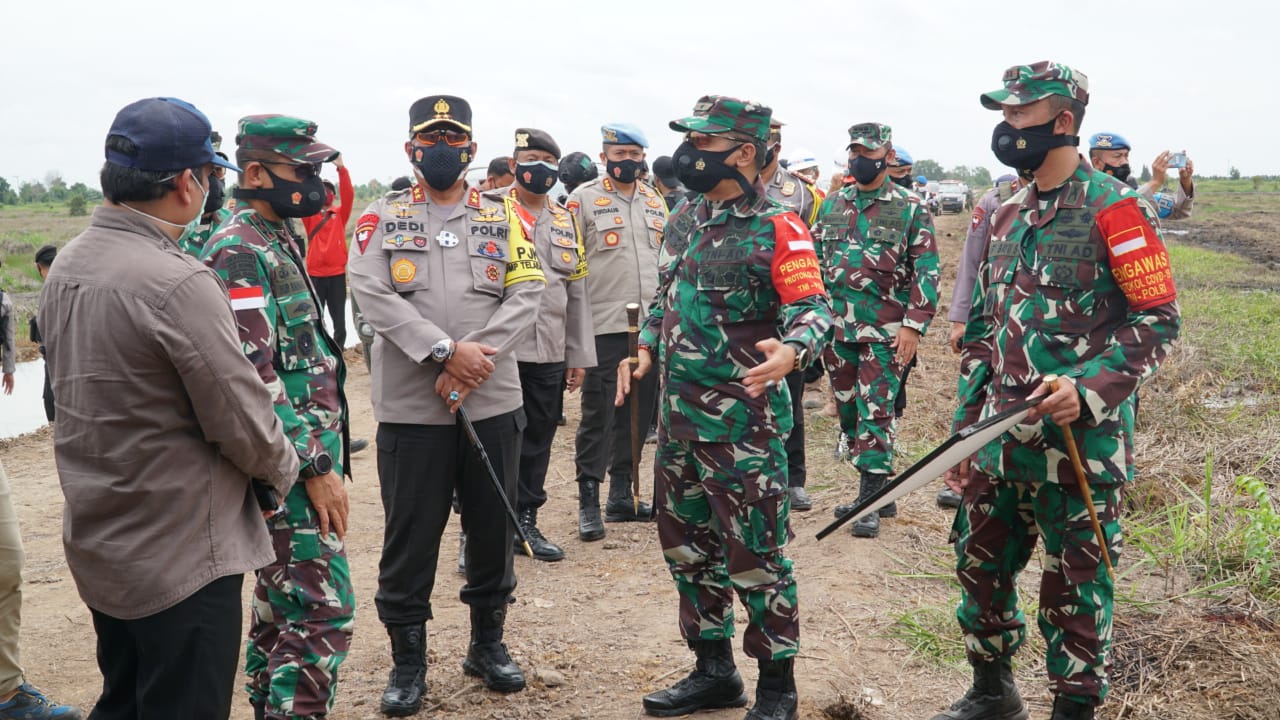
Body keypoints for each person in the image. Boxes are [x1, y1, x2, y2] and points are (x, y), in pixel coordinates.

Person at [37, 96, 300, 720]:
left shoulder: (69, 262)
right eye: (210, 177)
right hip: (184, 554)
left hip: (104, 539)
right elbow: (241, 420)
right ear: (189, 182)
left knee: (125, 697)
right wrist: (290, 470)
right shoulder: (176, 280)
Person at [933, 61, 1181, 720]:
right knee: (978, 568)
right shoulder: (1005, 211)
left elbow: (1158, 318)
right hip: (1001, 437)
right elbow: (985, 332)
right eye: (1005, 114)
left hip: (1080, 443)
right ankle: (992, 690)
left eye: (1019, 114)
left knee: (1076, 588)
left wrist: (1091, 388)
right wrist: (965, 432)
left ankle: (1073, 707)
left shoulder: (1115, 209)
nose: (1007, 126)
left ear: (1063, 120)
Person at [618, 94, 832, 720]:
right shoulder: (688, 215)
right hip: (679, 423)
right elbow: (666, 294)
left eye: (705, 144)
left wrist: (793, 350)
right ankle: (713, 671)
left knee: (756, 554)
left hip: (743, 428)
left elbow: (814, 309)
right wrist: (647, 347)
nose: (692, 155)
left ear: (743, 152)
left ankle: (775, 685)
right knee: (687, 549)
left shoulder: (780, 226)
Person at [347, 95, 544, 716]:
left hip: (491, 399)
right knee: (411, 538)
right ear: (411, 149)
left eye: (453, 139)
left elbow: (528, 286)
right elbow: (371, 293)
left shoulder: (505, 214)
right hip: (413, 408)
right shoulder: (380, 216)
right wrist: (441, 352)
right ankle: (408, 664)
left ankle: (488, 646)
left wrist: (475, 359)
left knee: (491, 529)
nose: (442, 148)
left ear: (470, 149)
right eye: (430, 139)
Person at [199, 115, 355, 720]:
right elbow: (253, 376)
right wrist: (313, 465)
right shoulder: (239, 247)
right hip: (288, 467)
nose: (313, 182)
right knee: (322, 609)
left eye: (317, 170)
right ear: (256, 172)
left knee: (279, 608)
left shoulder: (276, 231)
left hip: (297, 462)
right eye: (302, 171)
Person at [814, 122, 939, 539]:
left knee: (876, 410)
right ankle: (881, 491)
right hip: (838, 328)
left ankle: (867, 501)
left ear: (886, 156)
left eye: (868, 153)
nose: (859, 160)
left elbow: (927, 270)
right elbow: (814, 264)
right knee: (848, 409)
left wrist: (914, 326)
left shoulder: (909, 206)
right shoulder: (833, 205)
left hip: (887, 331)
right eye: (854, 152)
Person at [566, 122, 665, 540]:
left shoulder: (655, 201)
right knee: (599, 413)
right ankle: (589, 497)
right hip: (603, 324)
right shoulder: (582, 200)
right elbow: (569, 268)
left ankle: (622, 494)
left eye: (635, 155)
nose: (628, 161)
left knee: (640, 410)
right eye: (619, 154)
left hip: (648, 325)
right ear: (604, 156)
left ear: (644, 157)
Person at [503, 128, 596, 562]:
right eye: (530, 158)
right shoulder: (487, 212)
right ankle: (478, 533)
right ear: (514, 163)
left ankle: (526, 522)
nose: (538, 167)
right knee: (494, 440)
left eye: (546, 160)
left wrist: (577, 355)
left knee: (538, 440)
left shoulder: (564, 218)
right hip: (500, 352)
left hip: (550, 351)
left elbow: (576, 291)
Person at [937, 172, 1021, 510]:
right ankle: (964, 475)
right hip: (989, 322)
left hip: (1036, 329)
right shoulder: (996, 199)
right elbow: (972, 262)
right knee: (973, 397)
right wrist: (960, 319)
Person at [760, 119, 823, 513]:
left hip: (788, 316)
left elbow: (809, 253)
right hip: (742, 317)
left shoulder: (800, 193)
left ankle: (794, 478)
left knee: (791, 399)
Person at [302, 153, 354, 350]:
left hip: (337, 275)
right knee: (316, 317)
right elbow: (303, 196)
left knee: (339, 319)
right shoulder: (309, 215)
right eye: (321, 189)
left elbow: (348, 194)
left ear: (333, 195)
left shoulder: (340, 215)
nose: (325, 193)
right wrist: (309, 174)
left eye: (329, 190)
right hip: (315, 275)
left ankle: (339, 351)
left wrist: (341, 168)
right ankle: (319, 350)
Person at [1089, 133, 1196, 220]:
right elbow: (1122, 213)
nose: (1124, 162)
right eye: (1117, 156)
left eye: (1126, 156)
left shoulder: (1134, 189)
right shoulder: (1085, 194)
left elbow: (1178, 211)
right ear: (1097, 162)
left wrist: (1185, 180)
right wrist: (1155, 182)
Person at [178, 150, 233, 256]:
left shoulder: (232, 223)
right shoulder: (170, 224)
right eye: (205, 171)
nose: (211, 180)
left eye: (218, 170)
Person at [29, 246, 57, 421]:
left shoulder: (50, 287)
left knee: (51, 398)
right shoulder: (71, 283)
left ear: (37, 266)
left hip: (55, 357)